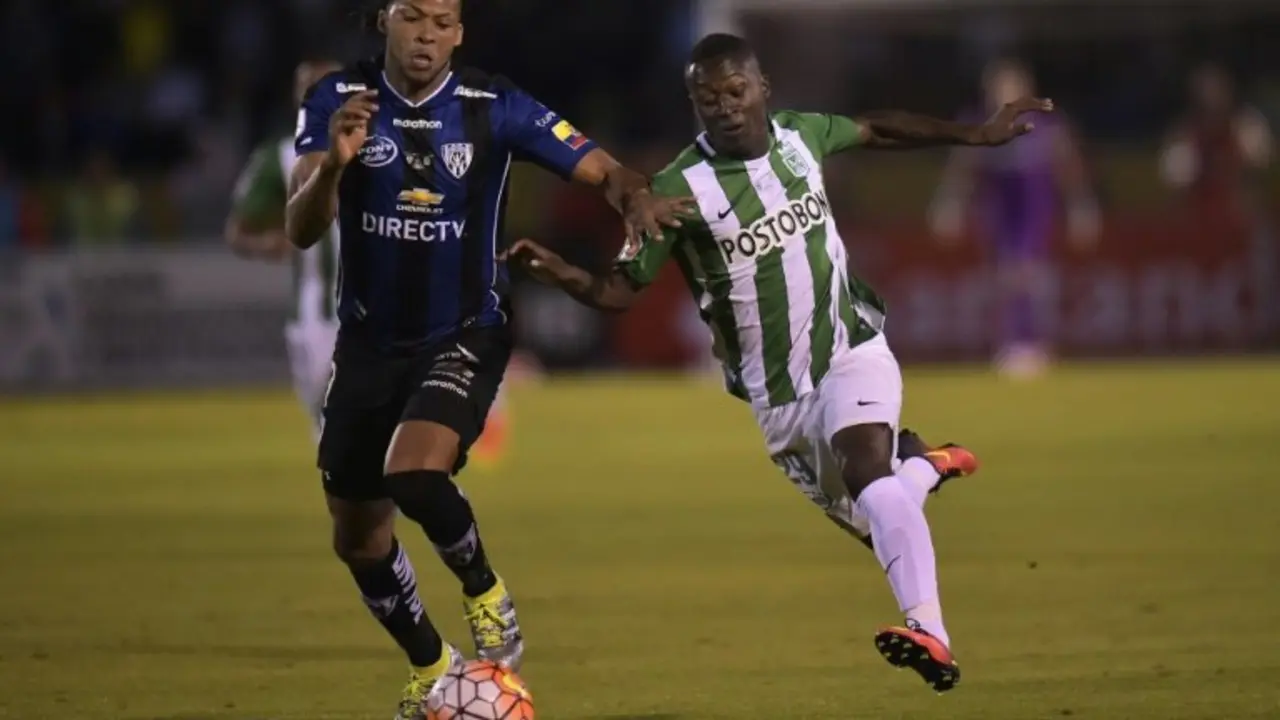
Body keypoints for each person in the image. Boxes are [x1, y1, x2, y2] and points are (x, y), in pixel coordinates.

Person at [502, 33, 1051, 694]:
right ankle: (924, 468)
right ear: (695, 105)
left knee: (869, 474)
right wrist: (559, 272)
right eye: (710, 100)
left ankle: (930, 632)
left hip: (852, 348)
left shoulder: (800, 136)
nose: (727, 108)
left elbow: (877, 128)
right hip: (779, 403)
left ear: (762, 88)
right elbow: (620, 293)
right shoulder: (677, 190)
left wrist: (976, 135)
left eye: (736, 92)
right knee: (881, 514)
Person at [284, 1, 690, 718]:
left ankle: (483, 588)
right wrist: (332, 172)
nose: (428, 35)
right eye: (413, 16)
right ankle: (433, 669)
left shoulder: (494, 105)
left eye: (444, 21)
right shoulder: (338, 100)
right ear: (385, 19)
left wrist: (634, 199)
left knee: (412, 471)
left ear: (460, 31)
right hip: (368, 342)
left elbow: (601, 168)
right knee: (357, 538)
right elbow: (301, 227)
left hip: (466, 330)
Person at [929, 58, 1099, 378]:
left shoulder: (1047, 126)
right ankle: (1012, 344)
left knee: (1031, 276)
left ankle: (1035, 342)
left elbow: (1070, 168)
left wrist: (1082, 206)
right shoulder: (980, 125)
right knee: (1005, 278)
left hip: (1035, 209)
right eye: (998, 89)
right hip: (998, 211)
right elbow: (961, 168)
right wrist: (949, 204)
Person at [227, 60, 343, 436]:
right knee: (325, 425)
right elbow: (237, 230)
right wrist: (265, 244)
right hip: (314, 314)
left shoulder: (380, 150)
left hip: (372, 307)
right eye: (309, 88)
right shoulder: (278, 158)